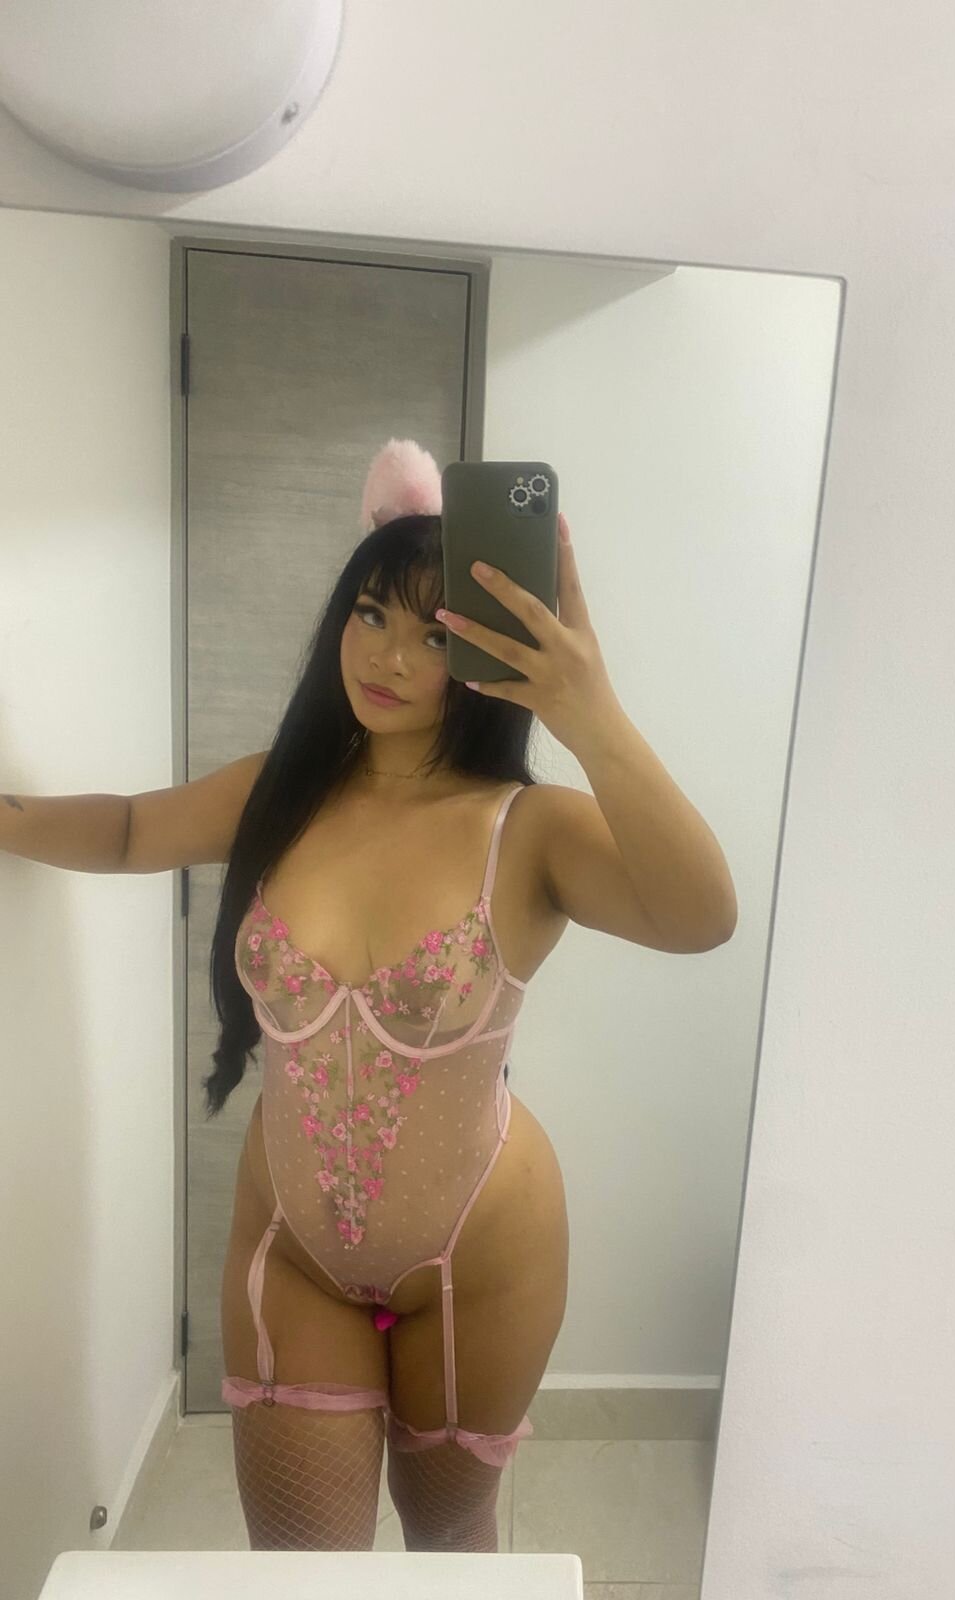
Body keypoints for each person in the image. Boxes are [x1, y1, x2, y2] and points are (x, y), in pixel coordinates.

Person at [1, 439, 738, 1554]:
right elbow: (130, 828)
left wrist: (588, 710)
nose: (389, 654)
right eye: (371, 612)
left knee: (449, 1546)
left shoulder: (529, 829)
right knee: (303, 1575)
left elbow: (701, 915)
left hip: (480, 1255)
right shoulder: (279, 793)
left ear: (481, 653)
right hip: (295, 1247)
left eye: (437, 634)